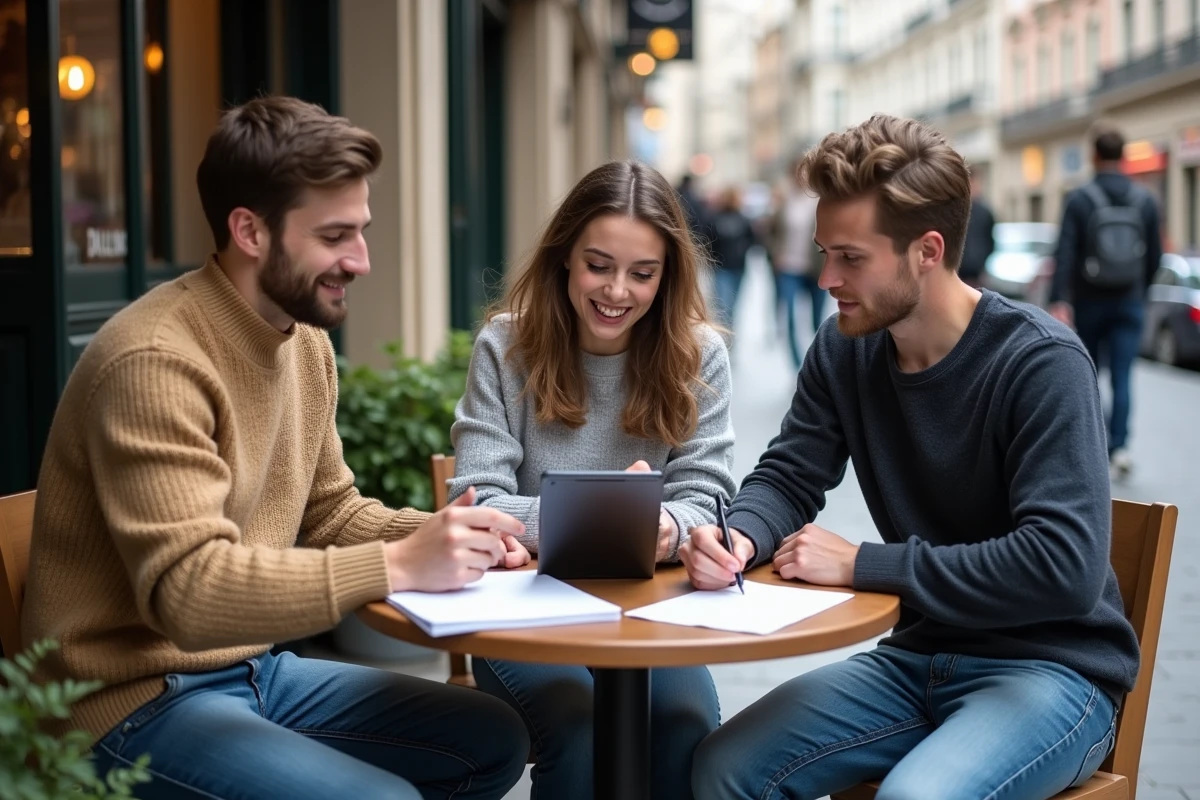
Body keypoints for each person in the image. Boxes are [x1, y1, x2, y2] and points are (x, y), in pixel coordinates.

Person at [22, 96, 531, 800]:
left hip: (248, 673)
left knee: (492, 739)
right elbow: (189, 594)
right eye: (334, 236)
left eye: (361, 230)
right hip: (128, 704)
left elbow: (328, 511)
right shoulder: (154, 360)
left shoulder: (305, 342)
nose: (361, 260)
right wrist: (397, 564)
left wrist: (453, 537)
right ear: (250, 231)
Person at [682, 115, 1138, 800]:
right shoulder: (845, 348)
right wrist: (742, 533)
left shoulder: (1040, 362)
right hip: (917, 658)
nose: (826, 278)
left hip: (1053, 674)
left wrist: (866, 565)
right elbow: (790, 471)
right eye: (823, 252)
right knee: (721, 768)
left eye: (851, 258)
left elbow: (1064, 567)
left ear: (927, 250)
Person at [449, 159, 734, 800]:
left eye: (643, 273)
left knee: (685, 724)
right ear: (564, 259)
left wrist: (665, 525)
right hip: (520, 608)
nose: (617, 291)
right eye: (598, 265)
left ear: (668, 276)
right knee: (578, 726)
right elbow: (473, 498)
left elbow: (709, 495)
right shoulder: (505, 346)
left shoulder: (699, 354)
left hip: (653, 609)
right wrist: (607, 517)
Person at [1049, 124, 1162, 481]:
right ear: (1124, 156)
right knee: (1125, 375)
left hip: (1090, 301)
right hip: (1129, 300)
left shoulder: (1080, 198)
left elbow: (1064, 251)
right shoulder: (1145, 200)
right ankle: (1121, 446)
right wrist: (1139, 291)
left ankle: (1096, 445)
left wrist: (1058, 298)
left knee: (1090, 374)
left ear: (1094, 155)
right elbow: (1155, 255)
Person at [769, 161, 824, 368]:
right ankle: (799, 369)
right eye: (795, 174)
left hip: (816, 268)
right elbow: (771, 231)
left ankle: (819, 366)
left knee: (817, 322)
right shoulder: (784, 200)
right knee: (790, 317)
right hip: (789, 268)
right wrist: (776, 253)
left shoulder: (819, 199)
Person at [709, 186, 757, 330]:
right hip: (722, 267)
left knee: (733, 304)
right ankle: (725, 332)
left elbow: (752, 239)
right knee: (724, 304)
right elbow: (709, 240)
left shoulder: (742, 218)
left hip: (738, 267)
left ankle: (728, 331)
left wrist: (742, 250)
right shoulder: (716, 218)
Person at [959, 172, 996, 289]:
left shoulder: (984, 212)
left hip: (977, 272)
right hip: (959, 271)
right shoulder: (957, 211)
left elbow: (990, 241)